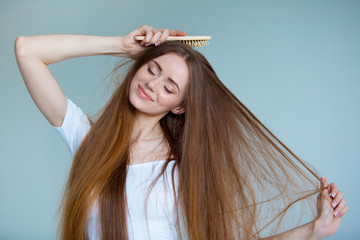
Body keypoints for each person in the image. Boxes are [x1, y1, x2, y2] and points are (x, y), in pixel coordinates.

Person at [15, 24, 348, 240]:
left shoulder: (181, 167)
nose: (152, 84)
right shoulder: (87, 139)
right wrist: (121, 44)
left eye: (169, 85)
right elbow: (27, 50)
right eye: (152, 68)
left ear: (180, 106)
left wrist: (313, 230)